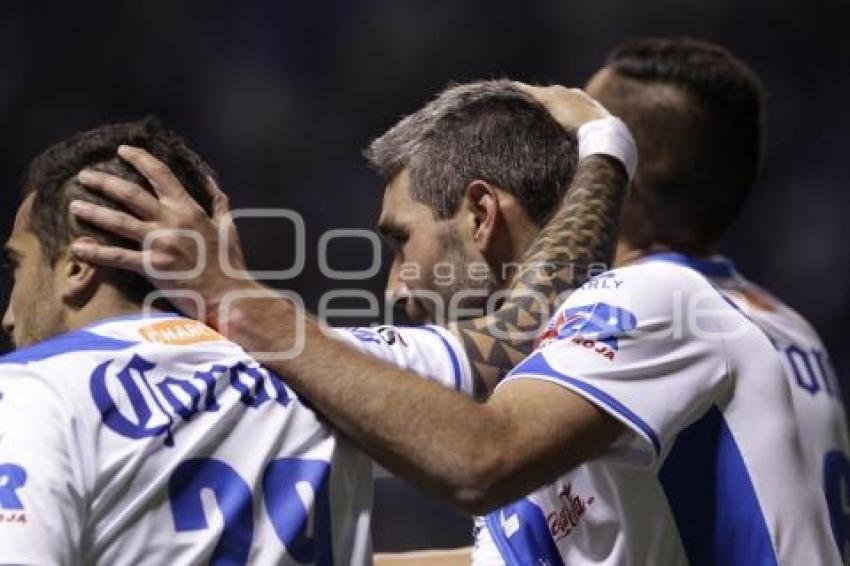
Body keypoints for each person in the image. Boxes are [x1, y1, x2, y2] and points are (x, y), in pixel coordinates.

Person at [71, 70, 841, 564]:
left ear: (479, 214)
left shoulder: (651, 300)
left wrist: (232, 294)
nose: (395, 286)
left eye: (400, 242)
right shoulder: (602, 373)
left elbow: (478, 460)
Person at [0, 84, 634, 563]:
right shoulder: (323, 372)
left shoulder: (28, 395)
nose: (7, 311)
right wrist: (604, 150)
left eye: (18, 266)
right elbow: (529, 326)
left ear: (77, 267)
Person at [581, 36, 850, 562]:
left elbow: (485, 459)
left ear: (615, 183)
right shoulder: (790, 326)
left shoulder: (642, 309)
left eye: (581, 147)